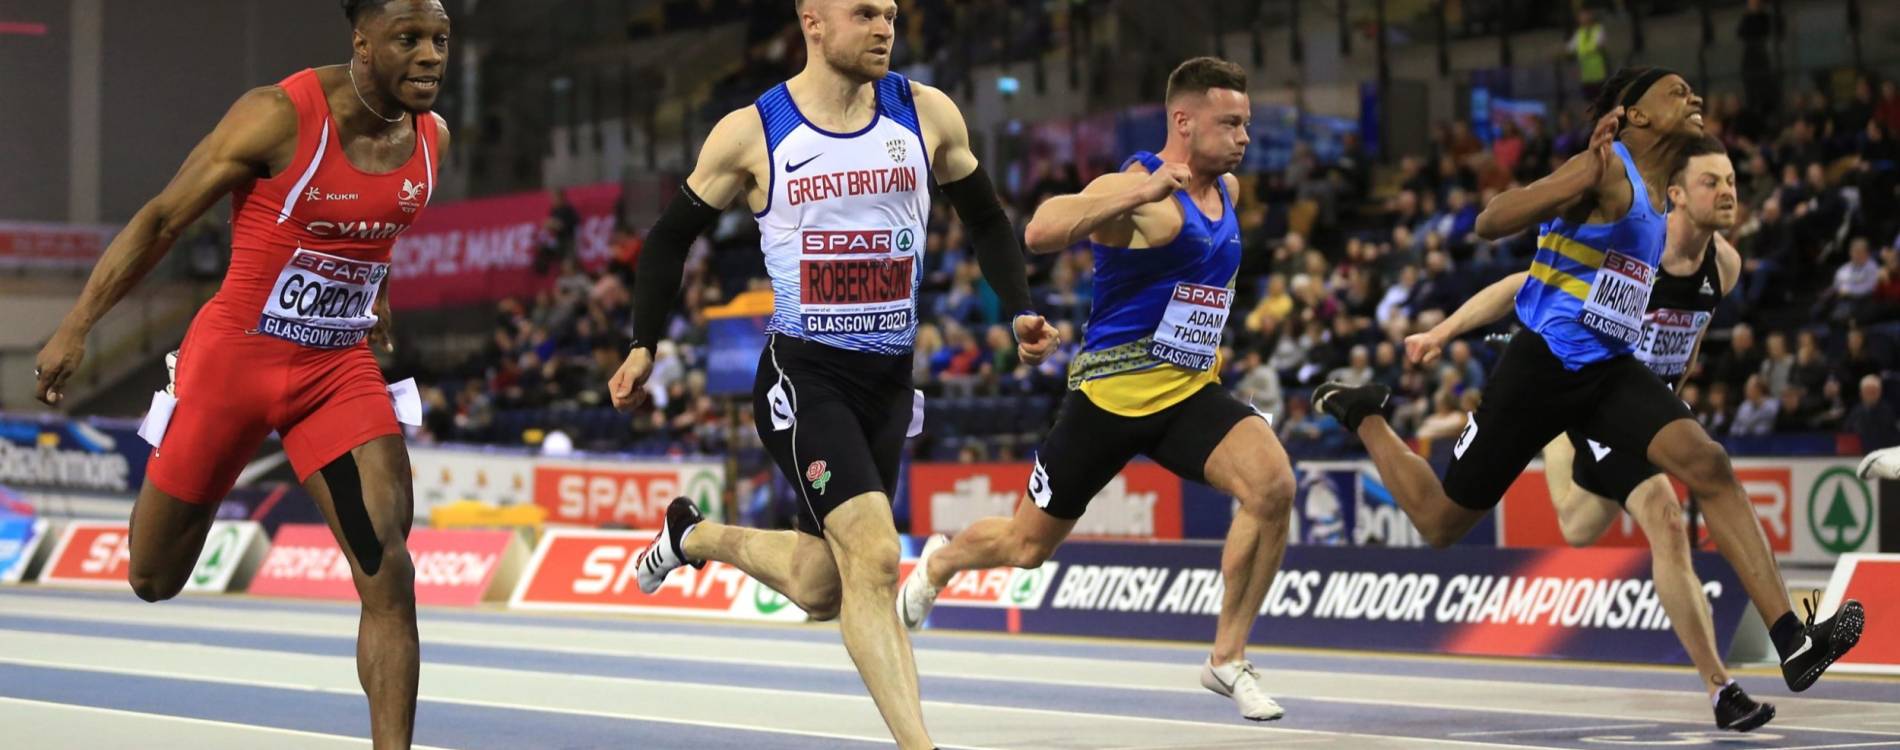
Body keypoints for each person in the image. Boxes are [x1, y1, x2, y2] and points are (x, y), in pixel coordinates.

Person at [1314, 67, 1865, 699]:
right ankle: (1367, 416)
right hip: (1540, 367)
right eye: (1676, 92)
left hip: (1607, 370)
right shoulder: (1604, 169)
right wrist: (1575, 173)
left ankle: (1792, 641)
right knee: (1441, 522)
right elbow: (1490, 223)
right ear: (1636, 115)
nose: (1694, 99)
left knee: (1708, 463)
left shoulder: (1664, 196)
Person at [605, 1, 1054, 747]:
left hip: (887, 383)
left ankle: (690, 538)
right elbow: (668, 237)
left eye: (892, 14)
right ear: (812, 21)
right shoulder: (756, 131)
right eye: (865, 13)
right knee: (878, 557)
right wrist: (643, 343)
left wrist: (1019, 309)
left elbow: (985, 217)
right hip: (803, 377)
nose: (885, 27)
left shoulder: (927, 114)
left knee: (827, 587)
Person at [31, 1, 449, 746]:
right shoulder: (277, 116)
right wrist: (77, 325)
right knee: (152, 578)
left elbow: (374, 227)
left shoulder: (432, 138)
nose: (430, 57)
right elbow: (163, 220)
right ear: (361, 43)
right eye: (409, 39)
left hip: (336, 367)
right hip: (234, 363)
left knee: (389, 573)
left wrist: (376, 290)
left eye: (441, 41)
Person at [896, 57, 1295, 723]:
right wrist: (1135, 196)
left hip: (1189, 393)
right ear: (1184, 122)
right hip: (1107, 399)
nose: (1244, 138)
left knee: (1273, 484)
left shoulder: (1225, 195)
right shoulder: (1138, 186)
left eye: (1246, 125)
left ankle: (1227, 658)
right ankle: (940, 562)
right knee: (1027, 548)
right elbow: (1040, 230)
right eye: (1231, 124)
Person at [1410, 137, 1776, 731]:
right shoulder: (1638, 246)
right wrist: (1443, 332)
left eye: (1733, 180)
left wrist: (1671, 398)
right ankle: (1721, 689)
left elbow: (1691, 333)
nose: (1729, 191)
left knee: (1579, 527)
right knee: (1662, 515)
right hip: (1594, 388)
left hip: (1642, 409)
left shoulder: (1725, 267)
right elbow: (1521, 284)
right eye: (1714, 182)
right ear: (1676, 196)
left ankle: (1554, 435)